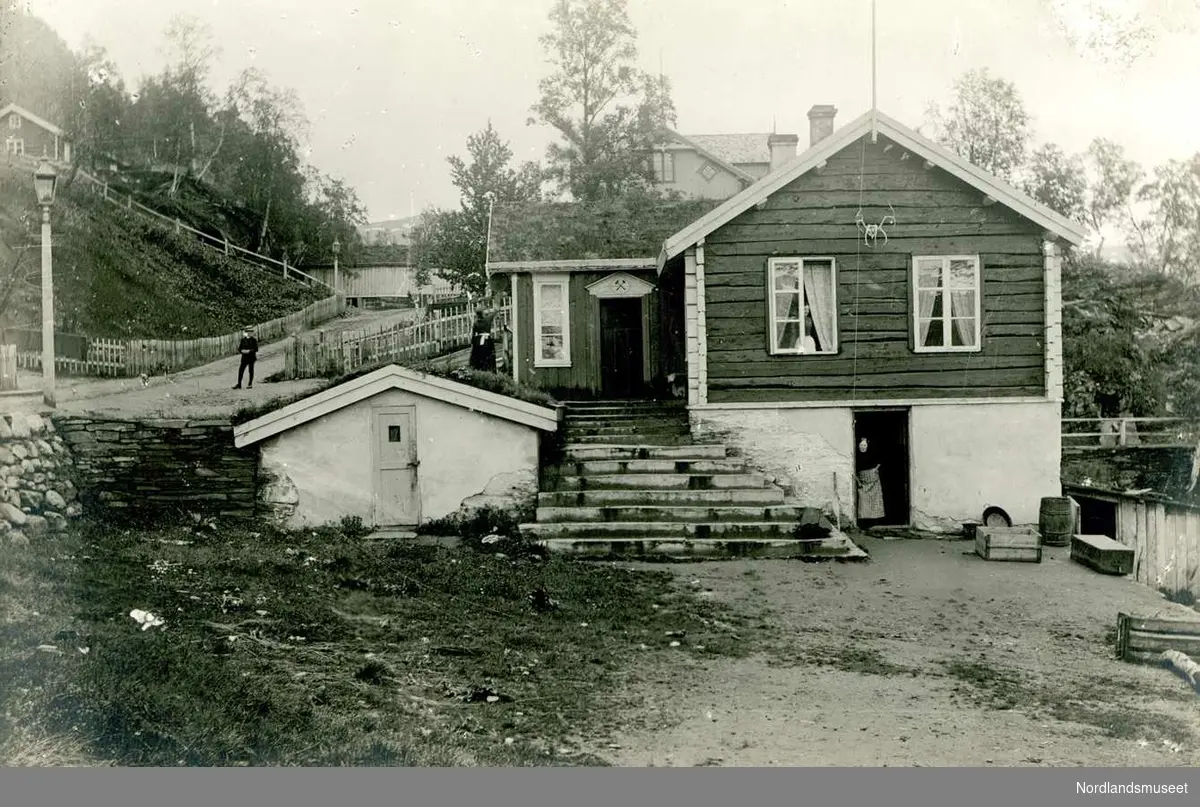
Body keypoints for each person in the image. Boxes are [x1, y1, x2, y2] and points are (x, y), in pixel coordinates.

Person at [855, 436, 886, 526]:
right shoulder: (856, 456)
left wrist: (875, 469)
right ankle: (864, 522)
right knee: (864, 500)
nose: (863, 447)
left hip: (873, 480)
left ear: (867, 446)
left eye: (864, 445)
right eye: (861, 445)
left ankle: (874, 522)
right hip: (862, 481)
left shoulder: (873, 454)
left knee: (874, 500)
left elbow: (880, 461)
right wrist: (858, 481)